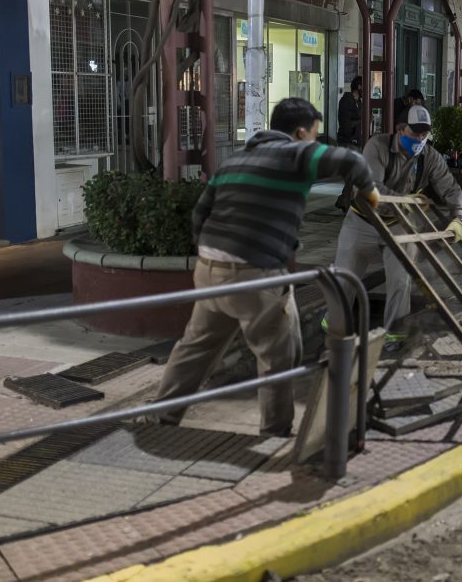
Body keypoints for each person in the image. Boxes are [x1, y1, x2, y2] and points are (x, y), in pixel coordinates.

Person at [147, 98, 379, 437]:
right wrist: (370, 193)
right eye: (313, 135)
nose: (313, 142)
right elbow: (351, 159)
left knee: (195, 348)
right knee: (277, 355)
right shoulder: (296, 154)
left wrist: (218, 253)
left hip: (210, 269)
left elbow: (200, 214)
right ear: (300, 132)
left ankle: (162, 418)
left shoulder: (234, 160)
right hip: (254, 275)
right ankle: (275, 431)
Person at [325, 104, 462, 352]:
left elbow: (451, 189)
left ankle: (394, 336)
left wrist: (458, 218)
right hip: (362, 221)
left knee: (401, 281)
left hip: (399, 225)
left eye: (424, 135)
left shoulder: (429, 157)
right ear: (401, 129)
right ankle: (332, 331)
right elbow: (369, 189)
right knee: (345, 280)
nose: (420, 139)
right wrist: (405, 201)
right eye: (415, 133)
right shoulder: (376, 147)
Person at [337, 76, 362, 149]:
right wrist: (362, 121)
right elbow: (345, 123)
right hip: (347, 142)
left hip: (356, 142)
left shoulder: (359, 102)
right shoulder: (346, 100)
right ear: (359, 87)